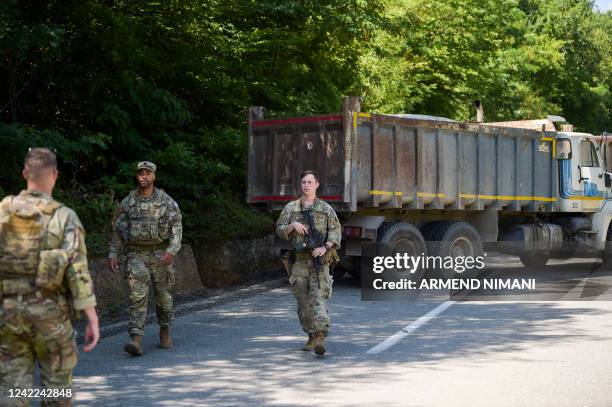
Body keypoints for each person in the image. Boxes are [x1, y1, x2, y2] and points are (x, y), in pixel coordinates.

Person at [0, 148, 99, 406]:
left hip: (8, 316)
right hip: (51, 319)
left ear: (24, 173)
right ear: (55, 174)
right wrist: (91, 317)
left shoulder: (2, 211)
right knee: (56, 393)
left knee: (12, 392)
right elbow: (78, 271)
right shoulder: (65, 216)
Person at [108, 161, 182, 356]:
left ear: (153, 176)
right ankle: (136, 338)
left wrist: (172, 251)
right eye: (140, 173)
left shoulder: (166, 201)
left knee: (163, 298)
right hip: (136, 254)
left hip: (160, 254)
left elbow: (176, 227)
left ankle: (165, 329)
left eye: (147, 173)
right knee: (137, 297)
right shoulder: (129, 202)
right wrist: (114, 253)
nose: (143, 177)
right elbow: (118, 230)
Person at [276, 170, 341, 355]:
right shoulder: (291, 208)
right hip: (300, 262)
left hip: (319, 261)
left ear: (316, 184)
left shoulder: (325, 209)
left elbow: (336, 230)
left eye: (309, 182)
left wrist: (326, 247)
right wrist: (291, 226)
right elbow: (279, 229)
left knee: (318, 299)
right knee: (303, 303)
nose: (306, 185)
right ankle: (311, 336)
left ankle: (320, 336)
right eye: (303, 182)